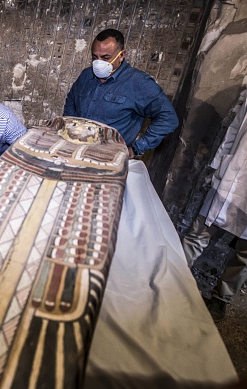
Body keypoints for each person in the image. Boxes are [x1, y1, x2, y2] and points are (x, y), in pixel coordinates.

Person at [182, 88, 247, 322]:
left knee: (244, 254)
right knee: (198, 232)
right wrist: (218, 164)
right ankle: (173, 279)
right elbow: (233, 130)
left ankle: (221, 299)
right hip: (232, 176)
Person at [63, 28, 179, 158]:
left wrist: (135, 149)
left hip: (108, 157)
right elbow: (71, 100)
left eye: (105, 58)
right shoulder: (86, 76)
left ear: (121, 55)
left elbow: (168, 118)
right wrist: (69, 129)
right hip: (75, 151)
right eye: (95, 57)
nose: (99, 63)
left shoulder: (138, 83)